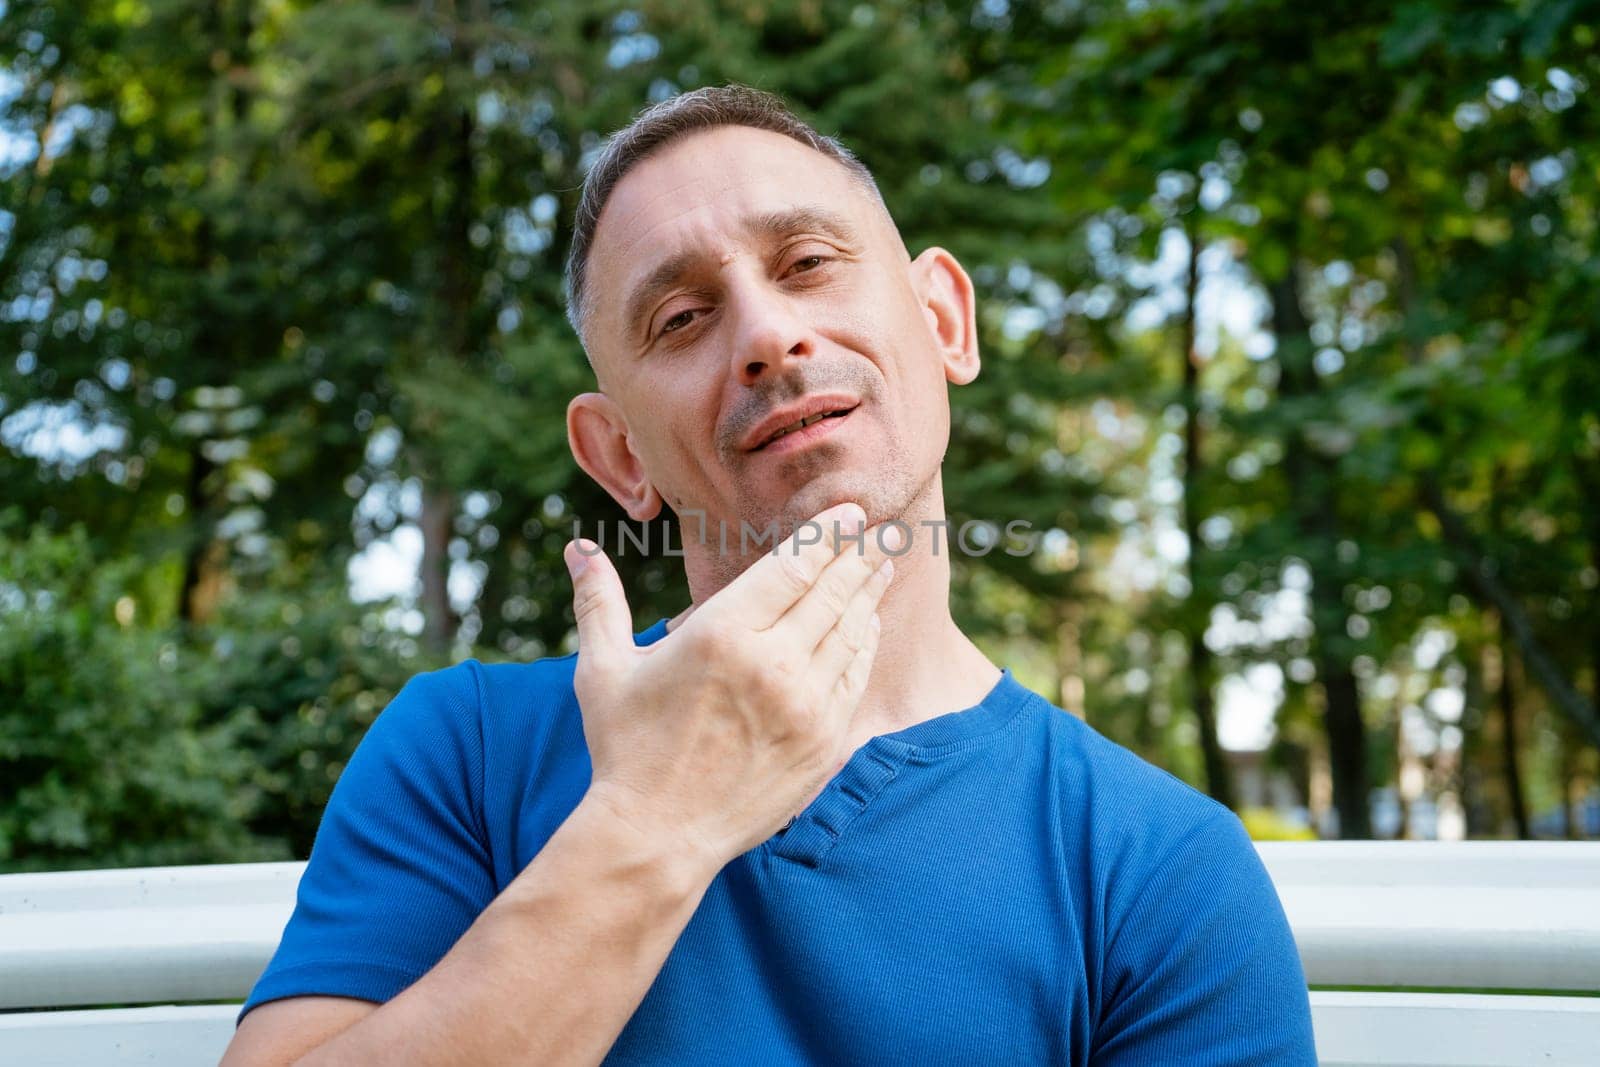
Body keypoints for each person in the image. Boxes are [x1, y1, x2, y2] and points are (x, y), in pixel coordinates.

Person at [222, 84, 1317, 1066]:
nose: (766, 333)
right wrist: (655, 819)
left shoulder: (1156, 865)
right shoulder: (466, 751)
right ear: (619, 456)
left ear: (942, 321)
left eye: (806, 262)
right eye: (681, 317)